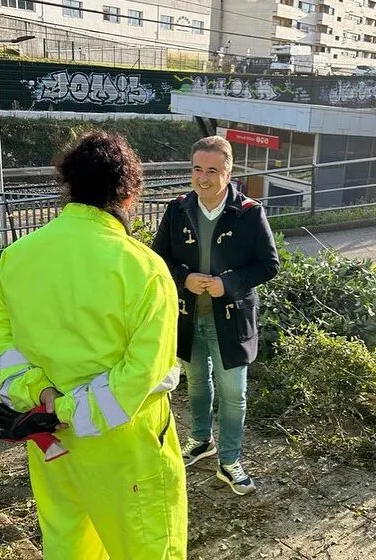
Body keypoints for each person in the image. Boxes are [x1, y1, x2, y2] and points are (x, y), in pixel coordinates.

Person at [0, 129, 187, 559]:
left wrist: (41, 397)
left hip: (53, 445)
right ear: (129, 195)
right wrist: (67, 409)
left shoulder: (19, 255)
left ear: (68, 187)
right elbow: (142, 374)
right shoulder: (144, 268)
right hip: (127, 451)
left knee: (69, 545)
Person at [152, 135, 280, 496]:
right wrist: (184, 278)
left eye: (212, 170)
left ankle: (229, 459)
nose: (203, 178)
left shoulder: (249, 212)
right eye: (197, 169)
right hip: (189, 315)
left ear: (228, 172)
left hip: (232, 319)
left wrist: (230, 283)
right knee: (196, 382)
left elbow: (269, 264)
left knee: (233, 392)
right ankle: (200, 440)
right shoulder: (178, 209)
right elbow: (158, 257)